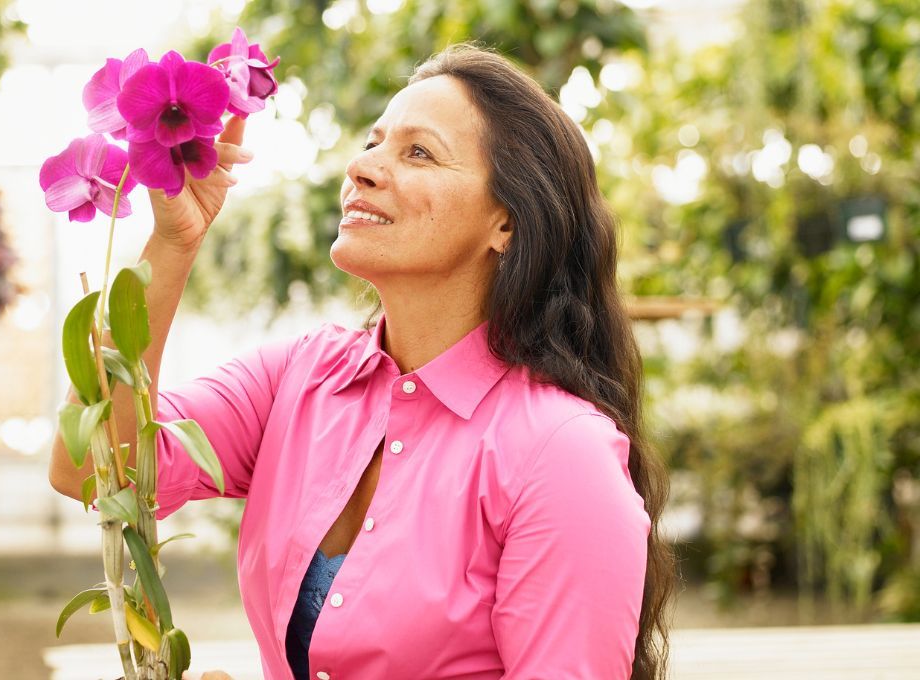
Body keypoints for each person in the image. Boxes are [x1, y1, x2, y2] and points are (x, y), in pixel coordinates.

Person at [50, 42, 677, 680]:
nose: (363, 166)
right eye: (373, 143)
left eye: (419, 152)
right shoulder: (300, 376)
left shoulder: (559, 454)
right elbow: (93, 468)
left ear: (507, 223)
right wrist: (175, 239)